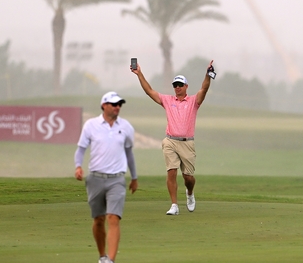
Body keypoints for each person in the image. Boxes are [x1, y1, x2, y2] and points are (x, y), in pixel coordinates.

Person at [131, 60, 214, 215]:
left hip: (187, 143)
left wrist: (207, 74)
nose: (177, 88)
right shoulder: (168, 100)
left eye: (180, 85)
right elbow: (149, 91)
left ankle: (189, 193)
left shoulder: (193, 101)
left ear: (186, 87)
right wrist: (139, 74)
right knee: (171, 171)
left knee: (188, 178)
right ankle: (174, 205)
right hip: (170, 140)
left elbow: (204, 88)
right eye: (175, 85)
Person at [75, 91, 138, 263]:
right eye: (114, 104)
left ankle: (110, 260)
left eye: (119, 104)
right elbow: (81, 149)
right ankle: (102, 256)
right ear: (104, 105)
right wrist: (78, 166)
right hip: (95, 178)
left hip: (117, 179)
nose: (118, 107)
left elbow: (129, 153)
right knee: (98, 219)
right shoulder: (91, 125)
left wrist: (134, 177)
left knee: (113, 217)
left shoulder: (125, 127)